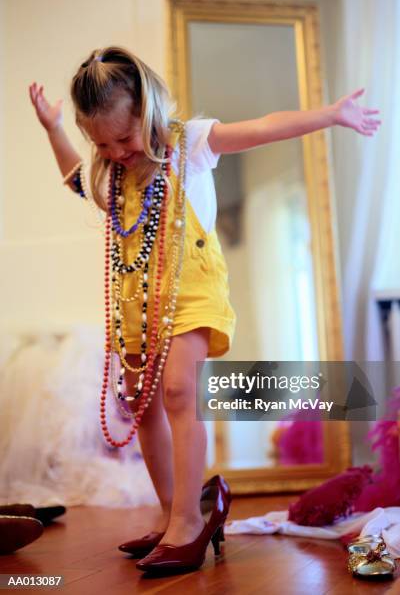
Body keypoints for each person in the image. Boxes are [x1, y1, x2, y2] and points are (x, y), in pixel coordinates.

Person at [29, 46, 381, 575]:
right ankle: (180, 512)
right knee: (142, 404)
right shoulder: (114, 176)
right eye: (102, 142)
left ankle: (188, 528)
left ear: (147, 113)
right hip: (137, 305)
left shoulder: (187, 143)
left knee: (177, 391)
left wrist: (330, 114)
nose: (117, 151)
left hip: (191, 292)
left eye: (124, 138)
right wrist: (55, 129)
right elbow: (78, 179)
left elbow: (263, 127)